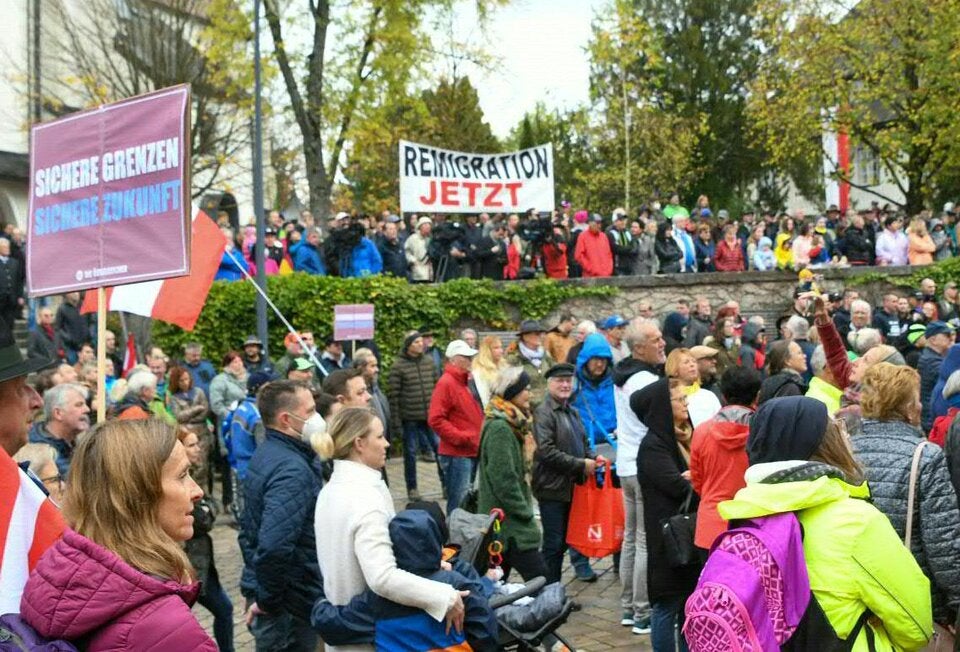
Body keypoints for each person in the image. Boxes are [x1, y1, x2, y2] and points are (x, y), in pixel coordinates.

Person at [717, 397, 933, 650]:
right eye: (837, 428)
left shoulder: (746, 515)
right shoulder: (855, 521)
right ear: (826, 445)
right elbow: (917, 626)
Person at [20, 419, 216, 650]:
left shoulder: (55, 578)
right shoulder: (166, 629)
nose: (197, 491)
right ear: (136, 493)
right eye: (182, 475)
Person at [313, 408, 466, 652]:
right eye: (380, 436)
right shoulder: (365, 499)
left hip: (345, 625)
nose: (386, 444)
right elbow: (382, 577)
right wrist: (443, 596)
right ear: (359, 443)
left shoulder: (330, 490)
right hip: (371, 635)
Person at [852, 363, 960, 628]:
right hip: (913, 597)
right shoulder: (925, 456)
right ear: (907, 407)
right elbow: (943, 542)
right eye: (915, 400)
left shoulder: (844, 448)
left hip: (857, 594)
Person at [239, 380, 324, 652]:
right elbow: (274, 546)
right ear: (286, 419)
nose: (317, 418)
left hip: (278, 594)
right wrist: (267, 601)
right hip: (289, 604)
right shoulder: (291, 470)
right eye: (310, 412)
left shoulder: (270, 452)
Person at [633, 377, 701, 651]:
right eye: (679, 400)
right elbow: (675, 485)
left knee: (687, 603)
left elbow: (691, 478)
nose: (686, 404)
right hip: (666, 535)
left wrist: (693, 477)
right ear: (663, 406)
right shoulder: (653, 445)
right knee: (666, 605)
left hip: (686, 530)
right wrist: (695, 478)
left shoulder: (686, 434)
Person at [613, 319, 665, 634]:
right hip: (642, 466)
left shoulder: (622, 374)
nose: (662, 343)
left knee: (632, 539)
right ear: (638, 348)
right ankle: (643, 612)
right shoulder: (645, 380)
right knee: (644, 540)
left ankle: (628, 607)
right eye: (655, 339)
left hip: (625, 463)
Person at [532, 363, 603, 585]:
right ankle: (550, 592)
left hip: (574, 487)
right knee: (554, 544)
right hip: (552, 487)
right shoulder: (544, 413)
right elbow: (547, 452)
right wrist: (581, 464)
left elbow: (583, 443)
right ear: (549, 384)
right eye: (559, 381)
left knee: (571, 536)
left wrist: (593, 457)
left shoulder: (572, 411)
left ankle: (557, 588)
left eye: (568, 381)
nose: (565, 385)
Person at [477, 367, 548, 579]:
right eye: (525, 389)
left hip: (504, 524)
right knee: (541, 579)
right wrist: (524, 511)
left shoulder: (512, 423)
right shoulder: (500, 427)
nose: (530, 393)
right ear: (511, 393)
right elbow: (503, 479)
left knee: (496, 582)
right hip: (508, 523)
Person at [688, 367, 761, 551]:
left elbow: (698, 480)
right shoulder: (761, 431)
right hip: (752, 524)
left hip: (711, 526)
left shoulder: (702, 432)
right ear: (757, 396)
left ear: (723, 395)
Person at [178, 428, 235, 652]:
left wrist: (206, 509)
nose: (198, 448)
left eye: (197, 443)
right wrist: (205, 510)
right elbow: (202, 520)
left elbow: (211, 508)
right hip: (188, 563)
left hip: (202, 561)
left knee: (224, 609)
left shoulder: (198, 473)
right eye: (191, 445)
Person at [428, 340, 484, 514]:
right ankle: (454, 540)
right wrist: (462, 437)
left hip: (468, 451)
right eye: (466, 357)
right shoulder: (447, 382)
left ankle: (461, 538)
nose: (470, 360)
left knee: (465, 503)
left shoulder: (463, 381)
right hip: (458, 454)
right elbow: (435, 419)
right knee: (459, 505)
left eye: (470, 356)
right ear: (454, 359)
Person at [388, 331, 439, 501]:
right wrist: (396, 423)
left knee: (439, 449)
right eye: (416, 342)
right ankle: (412, 488)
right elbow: (394, 396)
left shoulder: (429, 362)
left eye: (421, 341)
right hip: (409, 417)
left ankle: (445, 484)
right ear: (408, 345)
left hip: (430, 416)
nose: (421, 344)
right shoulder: (398, 366)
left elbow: (437, 387)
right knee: (410, 453)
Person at [27, 383, 90, 475]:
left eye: (85, 404)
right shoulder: (38, 450)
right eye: (79, 405)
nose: (87, 409)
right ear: (58, 413)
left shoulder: (78, 440)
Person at [168, 365, 213, 486]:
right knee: (188, 465)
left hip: (202, 432)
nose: (185, 382)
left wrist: (190, 414)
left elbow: (205, 412)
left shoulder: (198, 392)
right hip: (186, 433)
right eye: (181, 380)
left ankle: (202, 492)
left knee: (203, 465)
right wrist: (196, 408)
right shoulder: (174, 398)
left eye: (187, 379)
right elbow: (179, 416)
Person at [572, 333, 618, 448]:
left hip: (616, 444)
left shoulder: (617, 383)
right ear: (586, 359)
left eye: (603, 360)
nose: (599, 364)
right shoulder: (573, 384)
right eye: (595, 359)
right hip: (584, 447)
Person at [665, 348, 721, 428]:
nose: (692, 365)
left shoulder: (709, 395)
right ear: (674, 369)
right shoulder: (668, 398)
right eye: (686, 362)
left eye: (694, 361)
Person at [505, 320, 555, 408]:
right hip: (526, 409)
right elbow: (509, 388)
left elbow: (555, 372)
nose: (541, 336)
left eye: (541, 333)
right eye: (537, 334)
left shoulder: (545, 354)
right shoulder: (514, 358)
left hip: (548, 406)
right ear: (525, 337)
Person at [919, 321, 955, 432]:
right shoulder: (930, 361)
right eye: (947, 335)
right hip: (933, 420)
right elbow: (953, 378)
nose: (951, 338)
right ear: (933, 340)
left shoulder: (935, 358)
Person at [209, 351, 249, 425]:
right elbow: (216, 405)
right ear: (228, 365)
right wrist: (231, 416)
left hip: (248, 420)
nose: (239, 364)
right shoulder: (219, 380)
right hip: (228, 421)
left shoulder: (249, 377)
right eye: (235, 362)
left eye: (240, 361)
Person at [805, 345, 843, 414]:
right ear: (830, 368)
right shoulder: (821, 406)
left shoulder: (818, 397)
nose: (849, 368)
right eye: (844, 363)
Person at [472, 335, 506, 407]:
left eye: (501, 347)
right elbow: (483, 397)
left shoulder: (503, 365)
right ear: (487, 350)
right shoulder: (479, 370)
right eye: (496, 348)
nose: (501, 351)